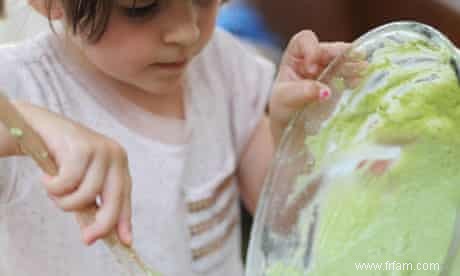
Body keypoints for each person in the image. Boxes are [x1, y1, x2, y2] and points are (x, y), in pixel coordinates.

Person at [0, 0, 346, 275]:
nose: (187, 31)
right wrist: (28, 125)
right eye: (142, 7)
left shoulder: (222, 68)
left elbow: (287, 219)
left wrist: (294, 131)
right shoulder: (21, 89)